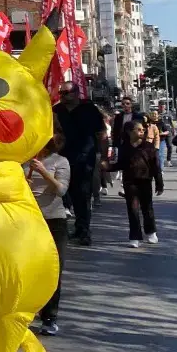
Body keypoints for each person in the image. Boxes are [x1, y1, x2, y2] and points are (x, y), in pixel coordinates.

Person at [24, 134, 70, 336]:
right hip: (28, 219)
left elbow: (61, 190)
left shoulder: (60, 161)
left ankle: (49, 316)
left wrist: (43, 172)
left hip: (54, 220)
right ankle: (26, 312)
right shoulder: (24, 161)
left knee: (53, 269)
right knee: (27, 269)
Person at [53, 82, 107, 246]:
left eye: (66, 93)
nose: (62, 96)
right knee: (63, 194)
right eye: (61, 93)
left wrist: (103, 157)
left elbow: (101, 134)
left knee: (82, 194)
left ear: (76, 93)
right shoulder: (57, 111)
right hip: (61, 158)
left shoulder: (89, 110)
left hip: (84, 158)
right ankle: (69, 229)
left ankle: (84, 230)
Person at [104, 120, 163, 248]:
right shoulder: (122, 147)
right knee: (133, 209)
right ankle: (135, 236)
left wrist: (159, 183)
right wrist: (107, 167)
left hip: (145, 180)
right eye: (139, 129)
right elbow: (119, 164)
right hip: (130, 182)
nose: (142, 132)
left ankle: (151, 232)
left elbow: (156, 166)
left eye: (143, 130)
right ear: (129, 132)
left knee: (147, 207)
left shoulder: (148, 146)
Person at [156, 102, 175, 167]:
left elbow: (171, 122)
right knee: (160, 148)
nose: (162, 107)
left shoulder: (168, 113)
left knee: (169, 146)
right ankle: (160, 160)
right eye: (160, 106)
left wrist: (173, 130)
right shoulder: (156, 113)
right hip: (160, 132)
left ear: (165, 107)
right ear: (158, 106)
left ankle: (168, 160)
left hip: (168, 131)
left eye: (163, 106)